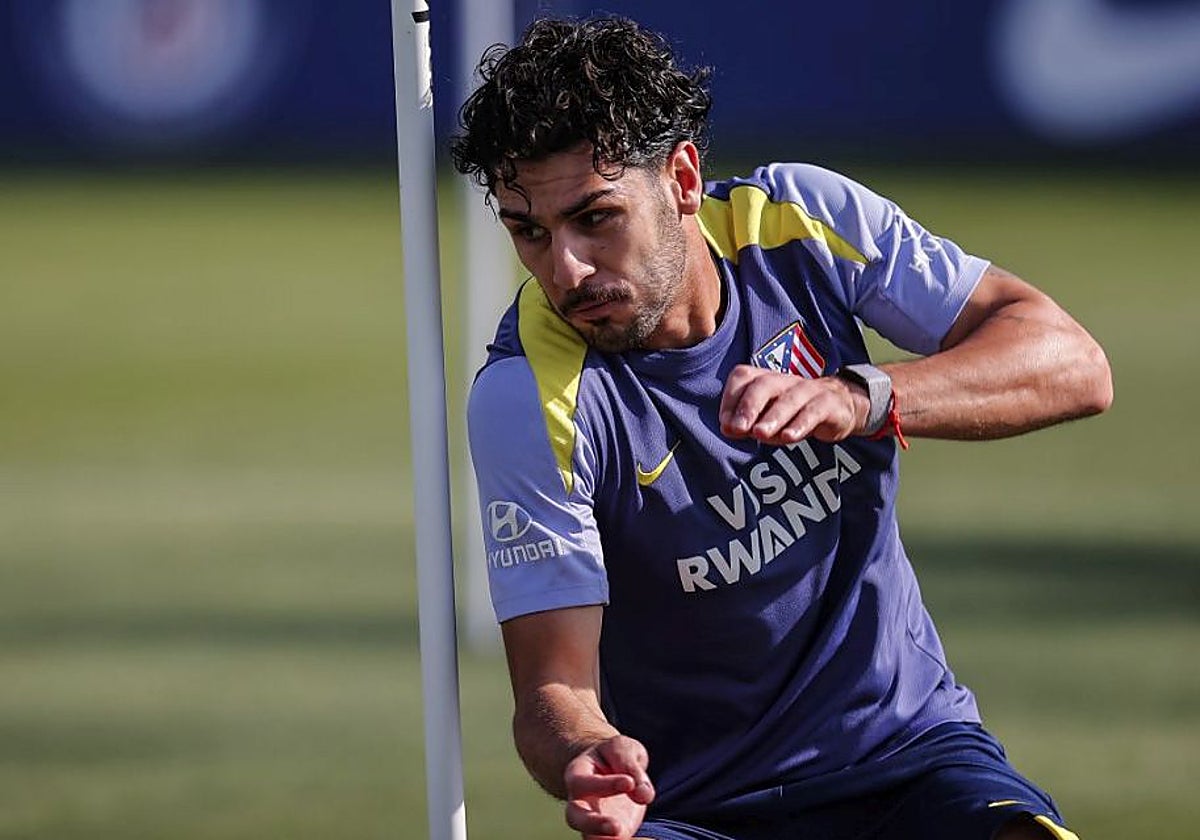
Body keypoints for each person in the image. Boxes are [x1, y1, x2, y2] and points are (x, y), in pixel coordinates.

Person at [451, 16, 1112, 840]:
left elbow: (1073, 364)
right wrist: (590, 753)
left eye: (596, 218)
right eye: (530, 233)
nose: (567, 270)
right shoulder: (528, 397)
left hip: (909, 753)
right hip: (696, 812)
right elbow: (553, 692)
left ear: (683, 179)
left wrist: (863, 395)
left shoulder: (799, 221)